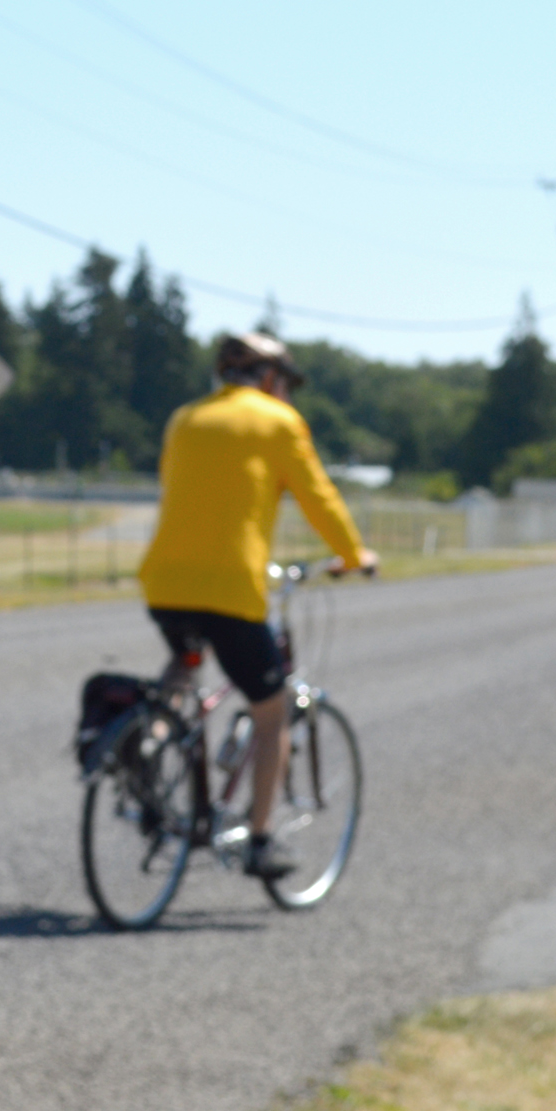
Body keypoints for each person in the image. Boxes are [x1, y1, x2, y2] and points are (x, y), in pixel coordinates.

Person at [137, 331, 377, 879]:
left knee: (184, 668)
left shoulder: (186, 419)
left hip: (164, 582)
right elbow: (319, 496)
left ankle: (149, 741)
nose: (288, 395)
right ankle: (262, 841)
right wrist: (352, 553)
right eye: (286, 384)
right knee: (271, 713)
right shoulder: (276, 422)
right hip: (230, 589)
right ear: (270, 379)